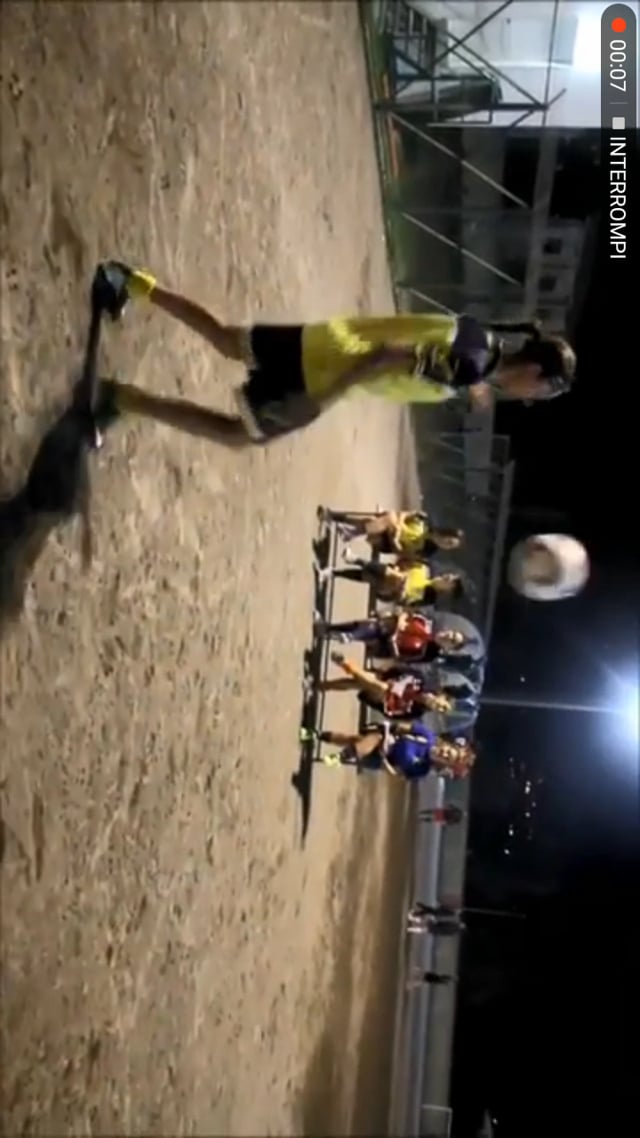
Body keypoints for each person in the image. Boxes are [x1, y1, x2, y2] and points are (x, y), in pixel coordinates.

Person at [92, 263, 578, 447]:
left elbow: (437, 356)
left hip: (327, 340)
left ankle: (130, 281)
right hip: (324, 375)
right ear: (535, 371)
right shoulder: (469, 366)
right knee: (235, 434)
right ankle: (120, 398)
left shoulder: (480, 343)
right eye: (542, 391)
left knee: (224, 339)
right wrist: (325, 398)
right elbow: (390, 355)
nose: (532, 398)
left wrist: (473, 385)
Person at [300, 721, 476, 780]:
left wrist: (384, 760)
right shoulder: (427, 736)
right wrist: (385, 727)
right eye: (447, 752)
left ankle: (322, 739)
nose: (444, 754)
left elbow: (397, 773)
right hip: (387, 739)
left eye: (447, 758)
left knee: (354, 741)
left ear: (445, 764)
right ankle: (337, 753)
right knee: (361, 739)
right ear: (447, 746)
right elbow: (402, 727)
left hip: (382, 760)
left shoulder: (422, 769)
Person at [317, 651, 455, 719]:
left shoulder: (416, 712)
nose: (439, 708)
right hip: (381, 678)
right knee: (361, 683)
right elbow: (399, 669)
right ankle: (322, 685)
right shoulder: (421, 681)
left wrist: (384, 701)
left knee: (379, 688)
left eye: (441, 711)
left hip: (379, 698)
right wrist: (386, 676)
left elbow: (391, 715)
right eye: (443, 706)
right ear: (442, 697)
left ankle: (345, 664)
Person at [315, 552, 464, 608]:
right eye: (451, 576)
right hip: (391, 572)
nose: (448, 577)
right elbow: (405, 560)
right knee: (390, 576)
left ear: (448, 591)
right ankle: (334, 572)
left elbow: (406, 603)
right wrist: (400, 568)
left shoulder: (429, 598)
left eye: (450, 582)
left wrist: (402, 591)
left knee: (394, 580)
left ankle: (355, 559)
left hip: (391, 592)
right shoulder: (428, 568)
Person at [315, 609, 469, 663]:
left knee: (373, 630)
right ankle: (334, 631)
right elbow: (407, 612)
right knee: (373, 625)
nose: (448, 636)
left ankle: (343, 635)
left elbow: (401, 658)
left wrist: (394, 643)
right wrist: (401, 621)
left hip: (386, 646)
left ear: (448, 649)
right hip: (388, 626)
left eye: (452, 641)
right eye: (452, 634)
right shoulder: (429, 623)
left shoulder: (429, 654)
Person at [319, 508, 464, 559]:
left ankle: (342, 525)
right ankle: (349, 532)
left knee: (382, 520)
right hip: (393, 525)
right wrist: (399, 525)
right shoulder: (427, 520)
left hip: (389, 543)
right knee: (383, 520)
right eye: (449, 541)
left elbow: (404, 553)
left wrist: (396, 541)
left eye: (449, 546)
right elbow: (404, 514)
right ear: (447, 533)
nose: (446, 545)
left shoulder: (428, 551)